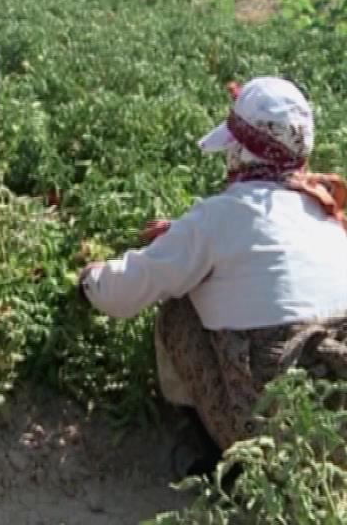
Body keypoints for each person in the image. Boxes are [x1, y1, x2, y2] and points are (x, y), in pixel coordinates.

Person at [78, 76, 347, 476]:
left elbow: (125, 292)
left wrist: (91, 278)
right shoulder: (326, 216)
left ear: (239, 150)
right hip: (337, 428)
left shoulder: (219, 217)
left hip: (271, 436)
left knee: (178, 310)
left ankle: (215, 454)